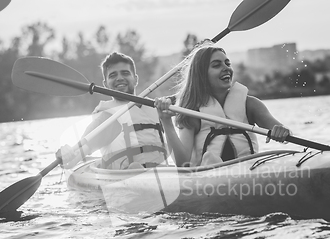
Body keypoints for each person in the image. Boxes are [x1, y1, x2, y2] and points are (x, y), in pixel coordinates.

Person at [154, 42, 291, 167]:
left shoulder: (251, 105)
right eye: (216, 65)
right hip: (208, 179)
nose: (226, 68)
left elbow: (288, 134)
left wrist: (283, 132)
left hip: (249, 173)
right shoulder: (191, 110)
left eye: (227, 63)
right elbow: (182, 162)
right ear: (201, 75)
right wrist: (166, 121)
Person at [57, 52, 167, 170]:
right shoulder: (107, 117)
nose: (119, 78)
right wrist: (64, 154)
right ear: (105, 84)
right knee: (135, 167)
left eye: (125, 73)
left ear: (135, 79)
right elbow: (72, 161)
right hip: (123, 179)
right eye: (113, 75)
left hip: (162, 175)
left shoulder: (154, 108)